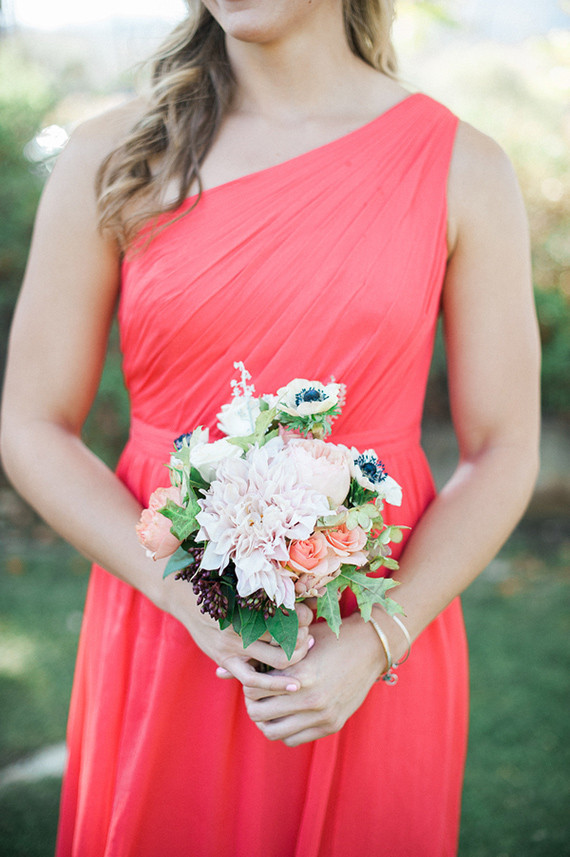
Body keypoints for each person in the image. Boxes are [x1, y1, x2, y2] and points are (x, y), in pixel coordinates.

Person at [0, 1, 540, 855]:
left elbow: (505, 446)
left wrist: (372, 643)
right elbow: (32, 423)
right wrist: (190, 602)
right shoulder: (115, 154)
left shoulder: (462, 166)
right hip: (168, 613)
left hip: (375, 624)